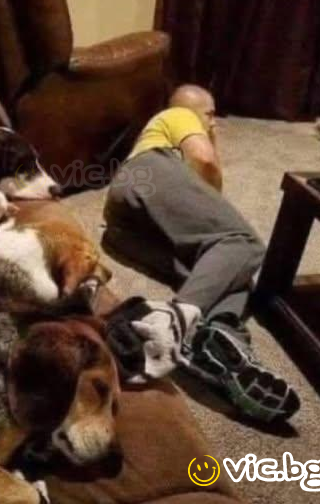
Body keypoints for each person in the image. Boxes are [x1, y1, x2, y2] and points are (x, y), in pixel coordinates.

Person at [103, 84, 300, 422]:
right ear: (195, 110)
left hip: (124, 231)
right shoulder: (178, 114)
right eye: (211, 115)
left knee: (227, 274)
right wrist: (212, 185)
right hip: (146, 175)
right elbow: (204, 159)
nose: (214, 123)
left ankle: (222, 339)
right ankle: (170, 321)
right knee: (241, 243)